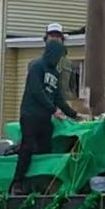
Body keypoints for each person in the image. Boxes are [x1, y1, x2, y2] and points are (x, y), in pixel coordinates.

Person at [12, 39, 78, 194]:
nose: (59, 59)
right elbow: (36, 91)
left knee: (45, 149)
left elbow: (57, 97)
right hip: (30, 115)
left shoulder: (55, 73)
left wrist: (73, 114)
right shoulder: (37, 67)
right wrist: (53, 110)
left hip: (45, 118)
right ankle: (17, 182)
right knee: (27, 147)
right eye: (59, 55)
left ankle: (40, 183)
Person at [44, 23, 75, 100]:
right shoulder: (35, 64)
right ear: (46, 39)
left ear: (62, 40)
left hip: (64, 106)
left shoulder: (69, 64)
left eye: (57, 36)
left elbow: (72, 89)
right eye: (52, 36)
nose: (55, 38)